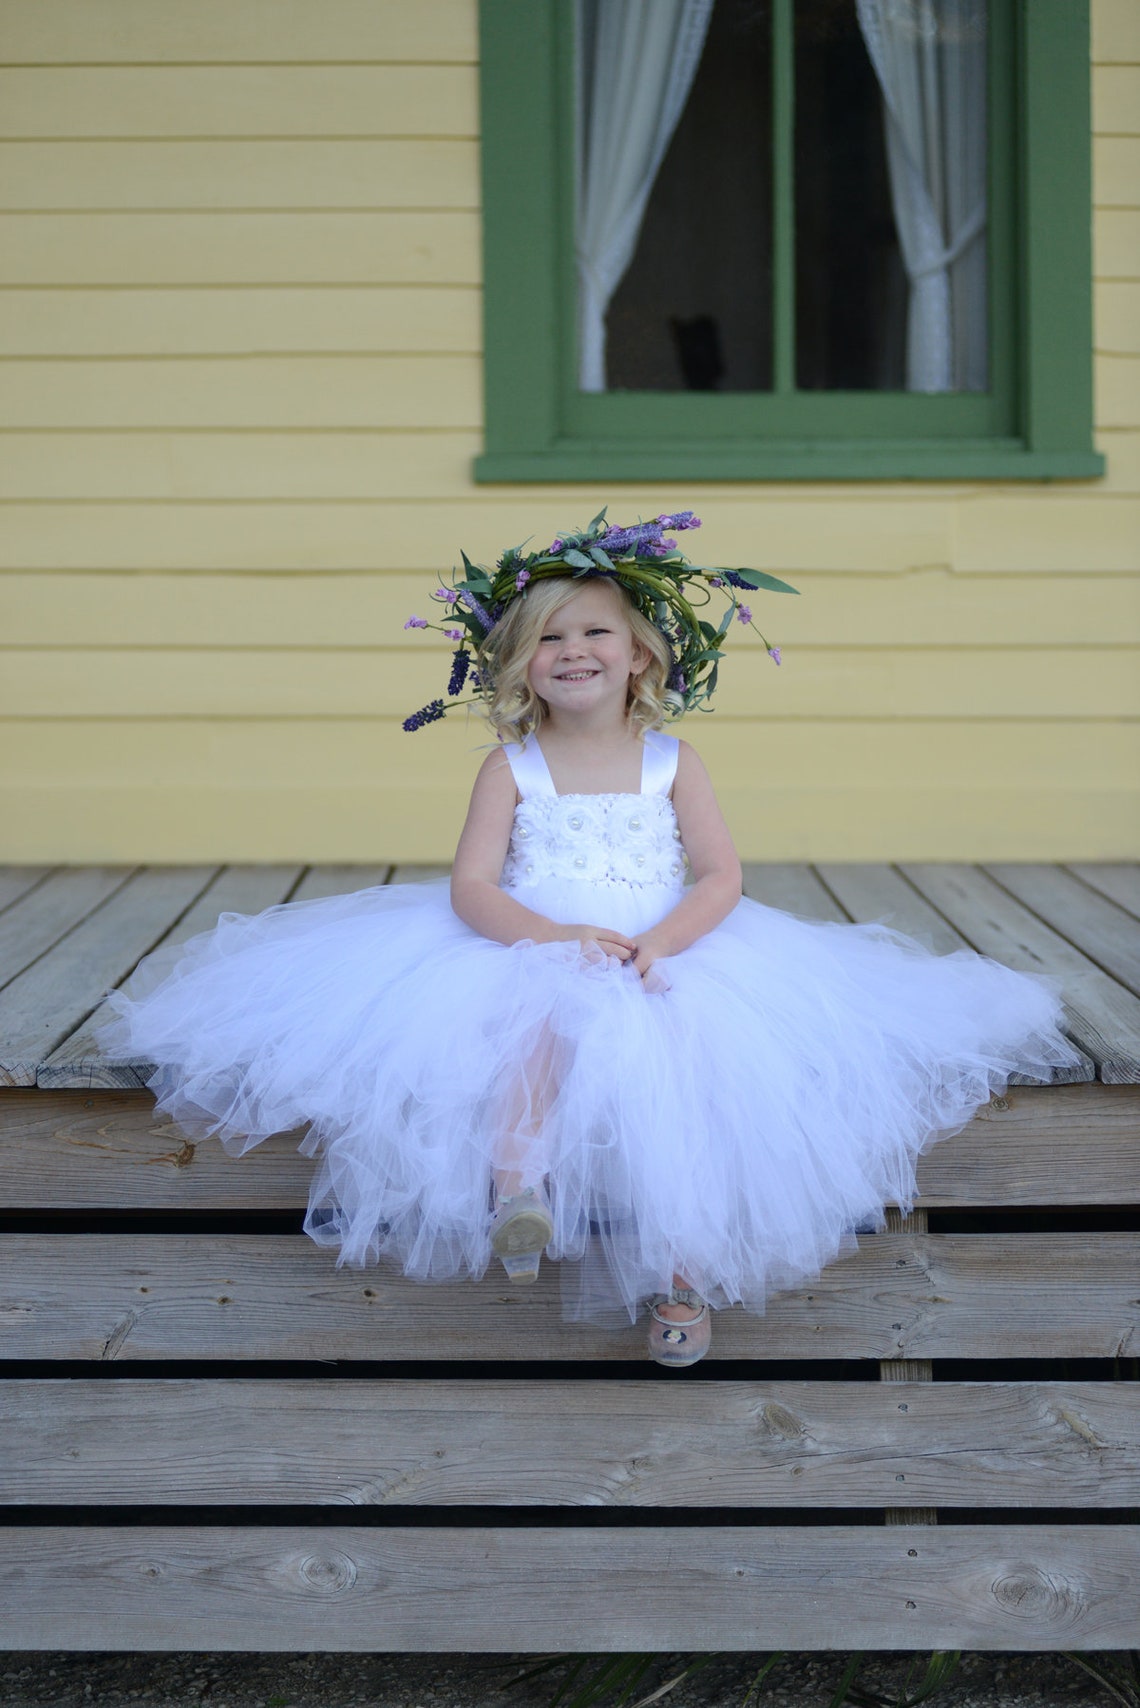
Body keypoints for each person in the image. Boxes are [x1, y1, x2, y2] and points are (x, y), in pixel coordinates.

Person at [98, 510, 1081, 1368]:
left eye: (595, 631)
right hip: (536, 941)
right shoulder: (511, 768)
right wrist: (549, 936)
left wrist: (667, 943)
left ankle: (682, 1280)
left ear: (641, 653)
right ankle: (517, 1186)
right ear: (519, 664)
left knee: (689, 1086)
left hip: (663, 944)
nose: (573, 650)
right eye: (548, 638)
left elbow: (722, 875)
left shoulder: (672, 762)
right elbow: (473, 885)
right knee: (532, 1028)